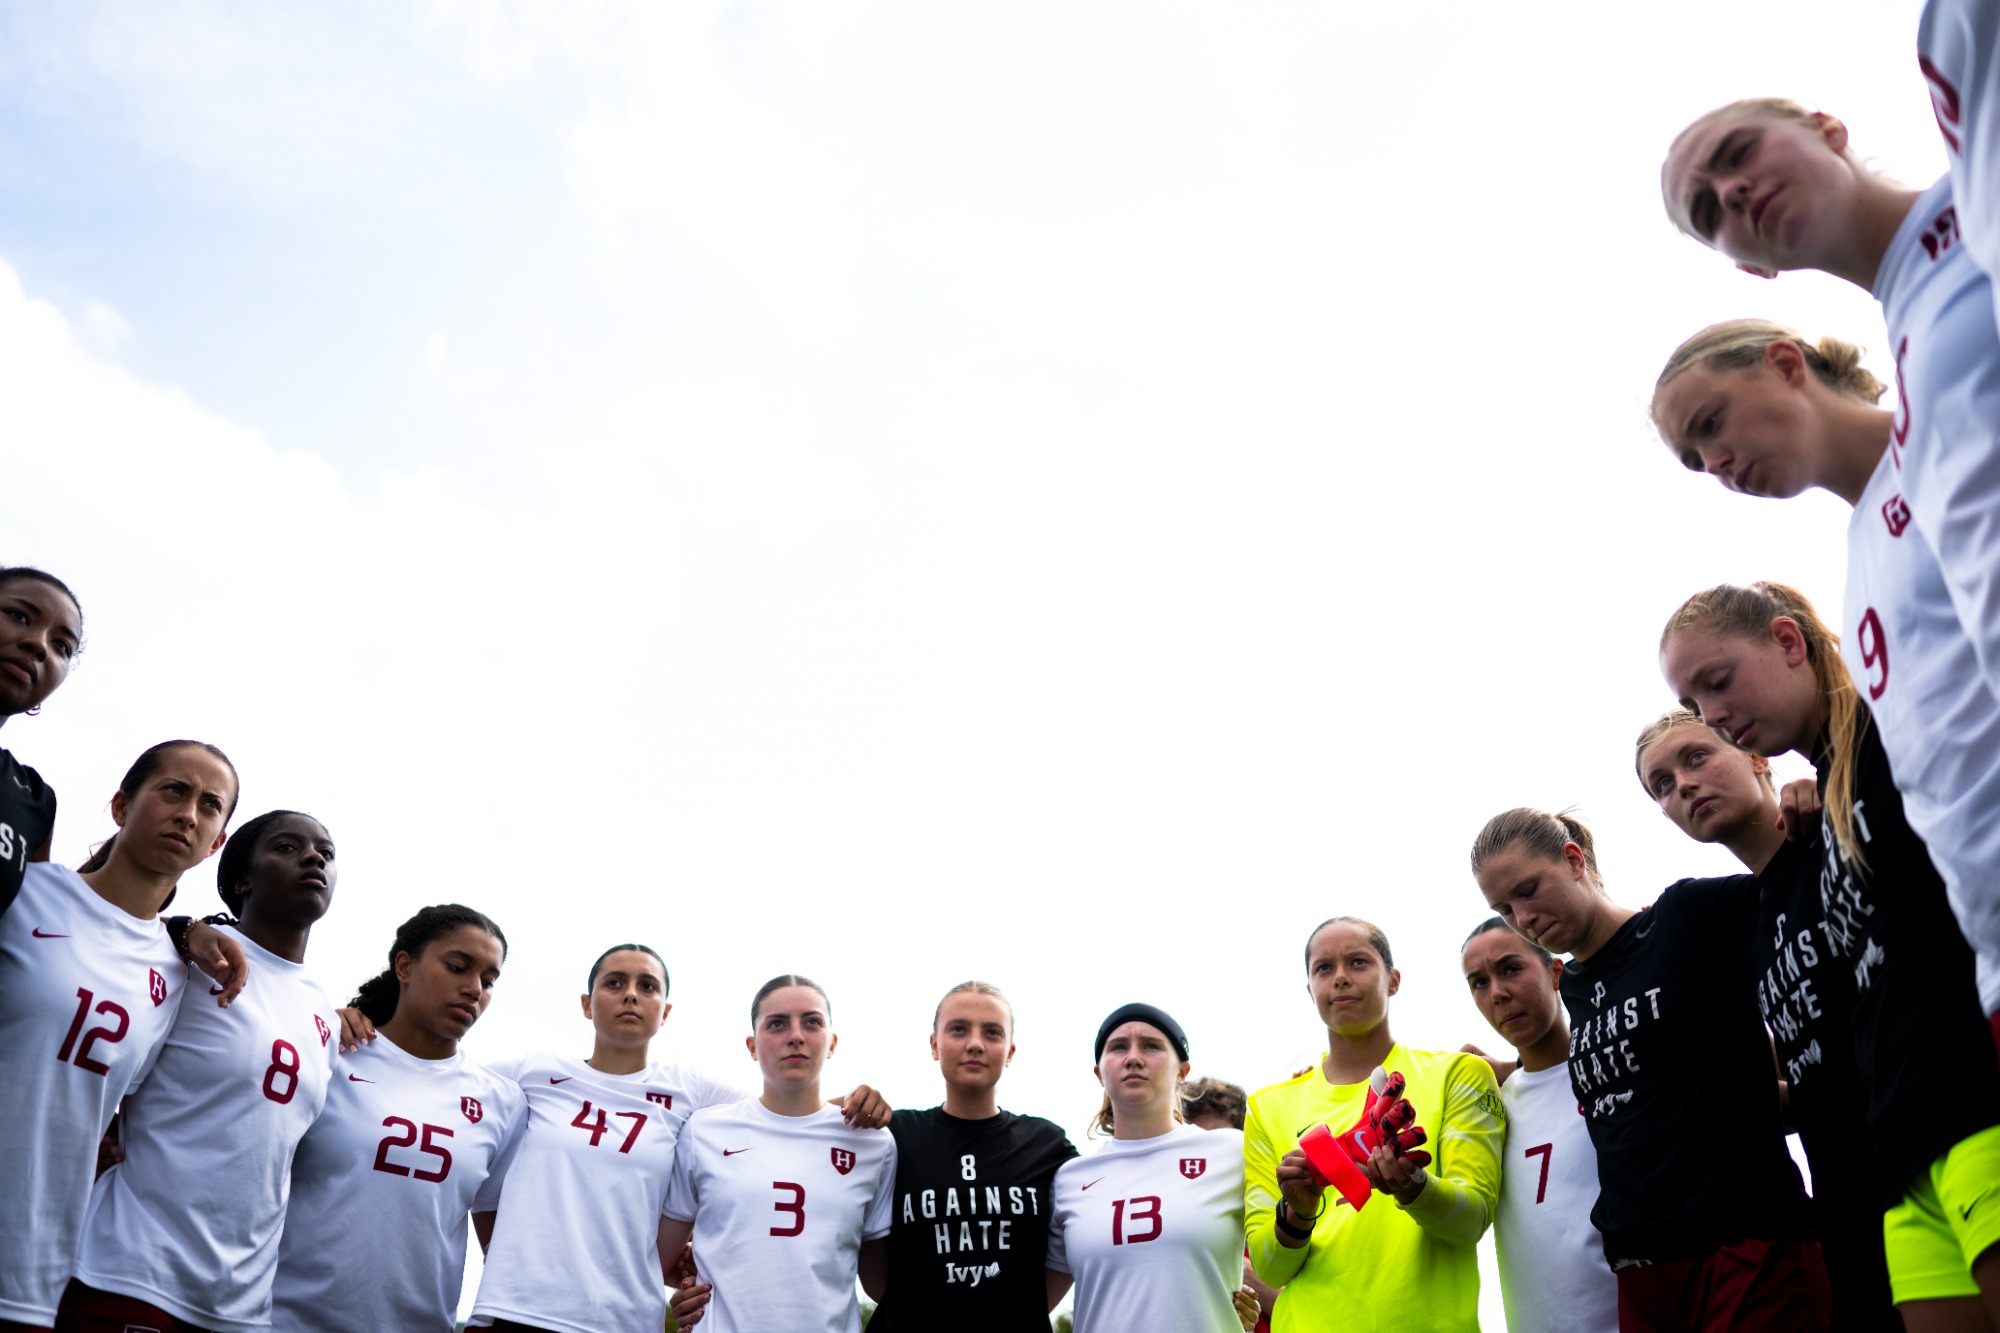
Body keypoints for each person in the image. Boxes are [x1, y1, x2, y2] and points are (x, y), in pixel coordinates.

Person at [1659, 101, 2000, 1015]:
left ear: (1785, 362)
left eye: (1712, 423)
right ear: (1749, 264)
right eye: (1694, 458)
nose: (1715, 461)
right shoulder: (1866, 559)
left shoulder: (1969, 259)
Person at [1662, 583, 2000, 1326]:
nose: (1712, 713)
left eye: (1717, 682)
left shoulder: (1895, 728)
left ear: (1789, 641)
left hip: (1973, 1102)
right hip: (1896, 1161)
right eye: (1693, 702)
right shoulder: (1824, 805)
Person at [1470, 809, 1828, 1330]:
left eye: (1528, 891)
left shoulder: (1683, 918)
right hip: (1640, 1269)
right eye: (1505, 909)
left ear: (1573, 860)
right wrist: (1510, 1073)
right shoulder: (1576, 987)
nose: (1522, 918)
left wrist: (1813, 809)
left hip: (1743, 1242)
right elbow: (1656, 1083)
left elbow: (1801, 888)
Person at [1635, 709, 1899, 1330]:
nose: (1683, 786)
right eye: (1662, 785)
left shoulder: (1833, 833)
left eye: (1697, 757)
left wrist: (1827, 781)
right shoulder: (1746, 922)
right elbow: (1808, 1070)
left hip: (1928, 1158)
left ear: (1757, 756)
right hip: (1845, 1214)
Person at [60, 810, 341, 1333]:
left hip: (242, 1304)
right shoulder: (184, 960)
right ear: (242, 880)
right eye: (287, 847)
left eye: (325, 853)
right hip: (131, 1274)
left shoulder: (325, 1014)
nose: (313, 859)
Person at [0, 740, 238, 1332]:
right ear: (121, 806)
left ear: (217, 843)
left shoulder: (180, 976)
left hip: (36, 1270)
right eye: (174, 791)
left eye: (210, 805)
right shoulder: (25, 892)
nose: (189, 814)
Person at [269, 904, 525, 1333]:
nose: (473, 989)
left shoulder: (503, 1102)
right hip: (284, 1321)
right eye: (458, 967)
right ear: (405, 966)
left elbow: (500, 1249)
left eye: (488, 980)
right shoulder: (328, 1054)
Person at [1245, 918, 1503, 1333]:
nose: (1340, 978)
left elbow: (1472, 1221)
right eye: (1324, 968)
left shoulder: (1458, 1075)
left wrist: (1413, 1187)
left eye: (1358, 962)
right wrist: (1298, 1213)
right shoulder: (1266, 1107)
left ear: (1393, 980)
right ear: (1310, 990)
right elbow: (1269, 1268)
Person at [660, 975, 895, 1333]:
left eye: (812, 1022)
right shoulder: (703, 1131)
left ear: (831, 1042)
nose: (796, 1035)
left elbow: (881, 1285)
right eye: (777, 1023)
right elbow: (658, 1260)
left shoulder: (873, 1144)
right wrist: (687, 1285)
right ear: (752, 1045)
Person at [864, 981, 1077, 1333]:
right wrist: (848, 1103)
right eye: (959, 1029)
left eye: (992, 1032)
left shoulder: (1046, 1144)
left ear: (1010, 1051)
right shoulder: (894, 1135)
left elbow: (1088, 1219)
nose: (975, 1044)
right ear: (935, 1044)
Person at [1046, 1003, 1248, 1333]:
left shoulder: (1232, 1150)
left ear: (1182, 1070)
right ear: (1099, 1073)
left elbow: (1292, 1246)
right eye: (1118, 1047)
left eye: (1151, 1046)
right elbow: (1027, 1306)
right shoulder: (1070, 1179)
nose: (1133, 1058)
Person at [1459, 918, 1618, 1333]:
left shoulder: (1616, 1068)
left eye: (1511, 968)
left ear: (1555, 973)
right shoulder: (1487, 1107)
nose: (1497, 992)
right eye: (1479, 982)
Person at [0, 566, 81, 917]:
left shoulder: (34, 800)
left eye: (61, 646)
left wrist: (180, 931)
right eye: (19, 616)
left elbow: (33, 929)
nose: (39, 644)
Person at [1183, 1078, 1280, 1333]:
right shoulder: (1176, 1233)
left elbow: (1310, 1306)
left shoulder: (1282, 1206)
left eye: (1220, 1138)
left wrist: (1242, 1271)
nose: (1209, 1154)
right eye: (1198, 1141)